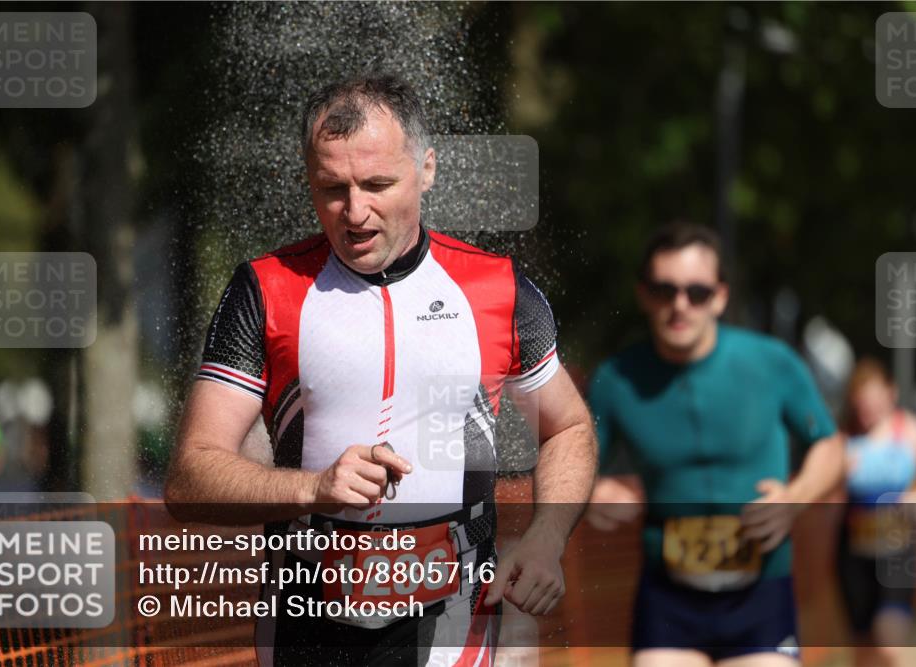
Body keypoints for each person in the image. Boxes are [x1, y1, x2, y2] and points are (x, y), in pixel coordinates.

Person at [164, 74, 597, 666]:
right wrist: (311, 488)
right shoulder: (264, 289)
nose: (355, 212)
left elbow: (567, 428)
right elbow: (190, 479)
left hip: (452, 617)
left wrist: (548, 537)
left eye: (377, 184)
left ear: (428, 170)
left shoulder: (498, 288)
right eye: (331, 188)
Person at [586, 222, 844, 667]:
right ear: (644, 294)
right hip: (668, 596)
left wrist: (795, 499)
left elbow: (829, 446)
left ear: (721, 296)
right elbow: (572, 461)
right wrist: (589, 493)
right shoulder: (616, 380)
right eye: (665, 290)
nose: (679, 305)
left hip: (761, 591)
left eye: (697, 292)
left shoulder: (771, 362)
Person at [837, 358, 916, 667]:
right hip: (854, 552)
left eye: (872, 401)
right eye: (860, 403)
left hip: (898, 550)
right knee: (862, 648)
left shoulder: (911, 430)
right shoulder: (846, 438)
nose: (866, 410)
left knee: (888, 643)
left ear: (890, 394)